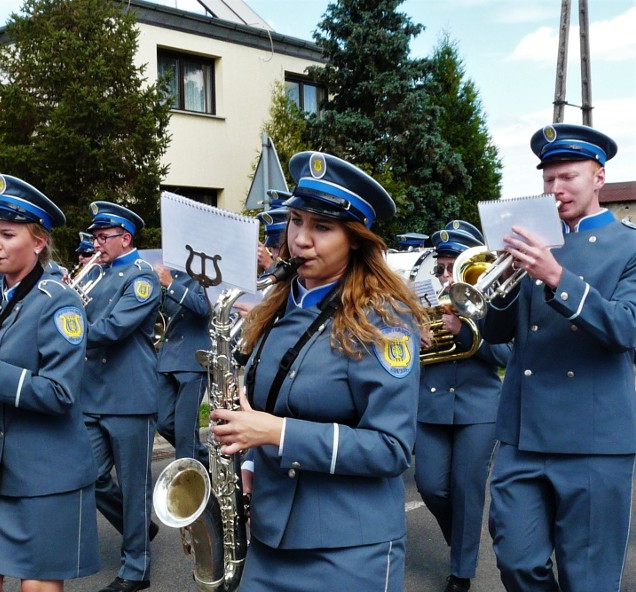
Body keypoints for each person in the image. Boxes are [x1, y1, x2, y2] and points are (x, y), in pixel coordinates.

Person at [212, 151, 424, 591]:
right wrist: (250, 460)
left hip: (349, 549)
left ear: (355, 241)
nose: (300, 240)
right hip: (271, 538)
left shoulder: (383, 319)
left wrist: (275, 434)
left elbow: (391, 448)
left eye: (322, 227)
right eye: (296, 221)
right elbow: (267, 406)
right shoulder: (276, 308)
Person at [482, 123, 636, 591]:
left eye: (568, 176)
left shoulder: (629, 246)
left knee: (588, 578)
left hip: (594, 440)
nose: (555, 189)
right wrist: (500, 283)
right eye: (548, 179)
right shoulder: (532, 242)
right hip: (524, 434)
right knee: (515, 560)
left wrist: (556, 277)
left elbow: (625, 328)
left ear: (599, 177)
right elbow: (493, 331)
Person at [0, 174, 99, 591]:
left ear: (38, 242)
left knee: (37, 587)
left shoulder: (59, 302)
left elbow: (60, 394)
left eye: (8, 234)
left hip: (49, 475)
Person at [415, 220, 512, 592]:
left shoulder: (494, 301)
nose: (443, 274)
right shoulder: (420, 300)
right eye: (439, 266)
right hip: (431, 405)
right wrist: (413, 339)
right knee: (430, 486)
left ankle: (461, 572)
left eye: (450, 265)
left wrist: (466, 330)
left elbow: (505, 353)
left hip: (479, 407)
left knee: (467, 488)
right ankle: (462, 540)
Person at [81, 201, 161, 592]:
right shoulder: (96, 273)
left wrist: (66, 328)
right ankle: (139, 525)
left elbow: (114, 328)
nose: (97, 244)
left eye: (102, 237)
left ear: (125, 238)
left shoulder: (142, 275)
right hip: (93, 391)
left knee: (134, 486)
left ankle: (136, 569)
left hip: (130, 394)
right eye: (95, 237)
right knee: (90, 474)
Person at [155, 263, 210, 467]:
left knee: (186, 433)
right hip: (168, 358)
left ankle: (188, 489)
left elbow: (204, 308)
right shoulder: (173, 273)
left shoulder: (207, 273)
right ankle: (205, 467)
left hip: (192, 360)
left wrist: (170, 284)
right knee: (164, 422)